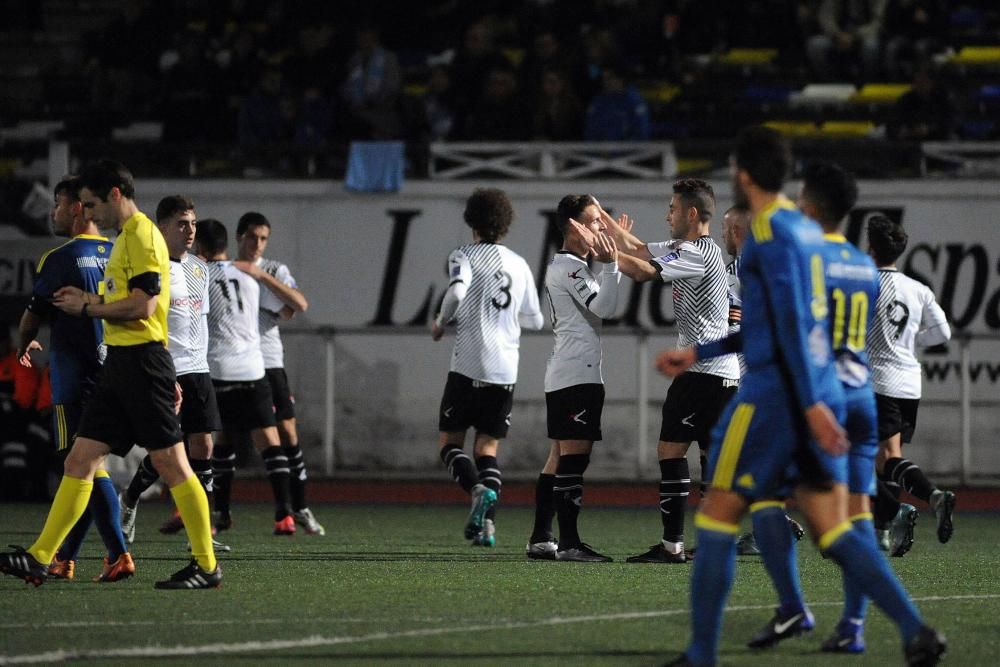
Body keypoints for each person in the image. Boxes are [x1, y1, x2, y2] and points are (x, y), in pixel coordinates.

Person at [655, 127, 944, 667]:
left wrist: (809, 403)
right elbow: (787, 321)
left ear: (742, 174)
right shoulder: (808, 235)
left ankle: (701, 653)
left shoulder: (768, 233)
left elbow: (790, 322)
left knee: (717, 516)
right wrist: (700, 353)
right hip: (829, 393)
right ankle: (912, 627)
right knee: (833, 526)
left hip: (772, 398)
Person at [0, 159, 219, 589]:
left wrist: (88, 306)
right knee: (80, 459)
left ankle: (206, 565)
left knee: (172, 463)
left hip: (142, 362)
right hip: (120, 363)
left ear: (114, 195)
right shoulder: (123, 239)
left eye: (91, 203)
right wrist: (94, 297)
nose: (88, 212)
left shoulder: (141, 236)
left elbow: (144, 305)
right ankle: (40, 557)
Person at [601, 179, 740, 564]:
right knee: (712, 461)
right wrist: (605, 224)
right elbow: (641, 249)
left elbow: (644, 271)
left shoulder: (699, 252)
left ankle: (673, 545)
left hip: (702, 371)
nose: (668, 215)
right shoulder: (691, 248)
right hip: (722, 373)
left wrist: (606, 253)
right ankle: (717, 543)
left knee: (670, 450)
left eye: (673, 209)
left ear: (692, 214)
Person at [15, 175, 134, 582]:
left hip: (73, 379)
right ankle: (68, 557)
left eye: (59, 204)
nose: (54, 212)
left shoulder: (60, 258)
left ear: (78, 208)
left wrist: (24, 342)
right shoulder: (120, 252)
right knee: (89, 467)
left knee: (81, 467)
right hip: (115, 374)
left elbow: (34, 312)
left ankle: (112, 554)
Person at [526, 195, 648, 562]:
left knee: (558, 459)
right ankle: (570, 544)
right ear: (575, 227)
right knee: (574, 460)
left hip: (568, 373)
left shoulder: (571, 266)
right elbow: (605, 308)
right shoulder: (569, 268)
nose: (601, 227)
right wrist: (611, 266)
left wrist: (608, 263)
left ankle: (541, 538)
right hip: (576, 376)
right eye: (595, 221)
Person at [432, 188, 543, 547]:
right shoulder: (519, 264)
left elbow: (457, 292)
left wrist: (439, 321)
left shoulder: (463, 254)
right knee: (487, 449)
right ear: (505, 223)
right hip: (505, 370)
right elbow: (537, 320)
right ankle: (488, 527)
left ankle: (476, 489)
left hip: (468, 364)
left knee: (450, 444)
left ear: (471, 220)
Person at [118, 195, 229, 554]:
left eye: (193, 223)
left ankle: (203, 528)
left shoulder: (199, 268)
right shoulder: (152, 268)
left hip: (199, 369)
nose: (190, 230)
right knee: (168, 451)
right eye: (182, 223)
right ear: (162, 227)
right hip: (167, 369)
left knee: (205, 446)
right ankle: (130, 498)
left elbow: (202, 318)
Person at [196, 217, 296, 536]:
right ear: (229, 243)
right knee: (269, 441)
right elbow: (290, 308)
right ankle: (284, 514)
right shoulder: (251, 275)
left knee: (210, 444)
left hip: (218, 369)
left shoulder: (199, 276)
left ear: (199, 246)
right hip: (254, 369)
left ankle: (212, 516)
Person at [866, 215, 954, 551]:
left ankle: (929, 496)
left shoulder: (866, 285)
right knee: (889, 456)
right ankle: (883, 530)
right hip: (910, 382)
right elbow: (943, 333)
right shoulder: (918, 289)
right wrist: (912, 342)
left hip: (878, 380)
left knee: (868, 455)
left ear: (871, 249)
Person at [234, 212, 324, 536]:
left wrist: (262, 277)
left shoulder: (274, 269)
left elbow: (298, 304)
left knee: (288, 435)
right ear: (238, 238)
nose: (257, 244)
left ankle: (299, 507)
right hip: (234, 363)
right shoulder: (227, 272)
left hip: (269, 363)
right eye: (251, 237)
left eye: (263, 238)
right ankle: (221, 515)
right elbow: (283, 309)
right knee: (224, 440)